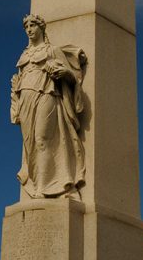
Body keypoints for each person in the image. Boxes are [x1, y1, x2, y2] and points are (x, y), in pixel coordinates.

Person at [10, 14, 86, 198]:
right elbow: (17, 82)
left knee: (42, 139)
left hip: (47, 93)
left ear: (41, 28)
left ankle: (43, 187)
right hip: (26, 98)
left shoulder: (52, 50)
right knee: (30, 145)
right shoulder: (24, 56)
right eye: (26, 26)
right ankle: (36, 182)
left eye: (32, 25)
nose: (29, 29)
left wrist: (63, 72)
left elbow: (72, 76)